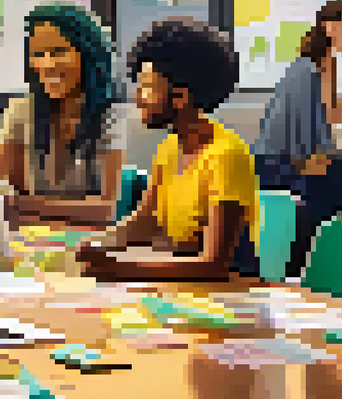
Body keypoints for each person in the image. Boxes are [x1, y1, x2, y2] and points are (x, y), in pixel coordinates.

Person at [79, 18, 261, 281]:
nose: (137, 97)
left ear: (180, 97)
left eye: (147, 88)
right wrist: (95, 245)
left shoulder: (226, 156)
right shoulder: (170, 147)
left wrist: (119, 267)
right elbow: (145, 221)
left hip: (230, 294)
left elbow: (214, 264)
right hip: (185, 287)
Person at [252, 0, 342, 278]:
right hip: (283, 170)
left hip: (298, 164)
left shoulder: (323, 65)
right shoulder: (306, 71)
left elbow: (328, 120)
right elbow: (306, 149)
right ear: (327, 27)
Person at [0, 3, 131, 229]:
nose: (47, 65)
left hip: (88, 243)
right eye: (38, 54)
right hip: (33, 240)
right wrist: (67, 212)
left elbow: (106, 211)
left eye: (59, 52)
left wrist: (27, 205)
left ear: (87, 54)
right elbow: (2, 204)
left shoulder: (110, 115)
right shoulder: (20, 112)